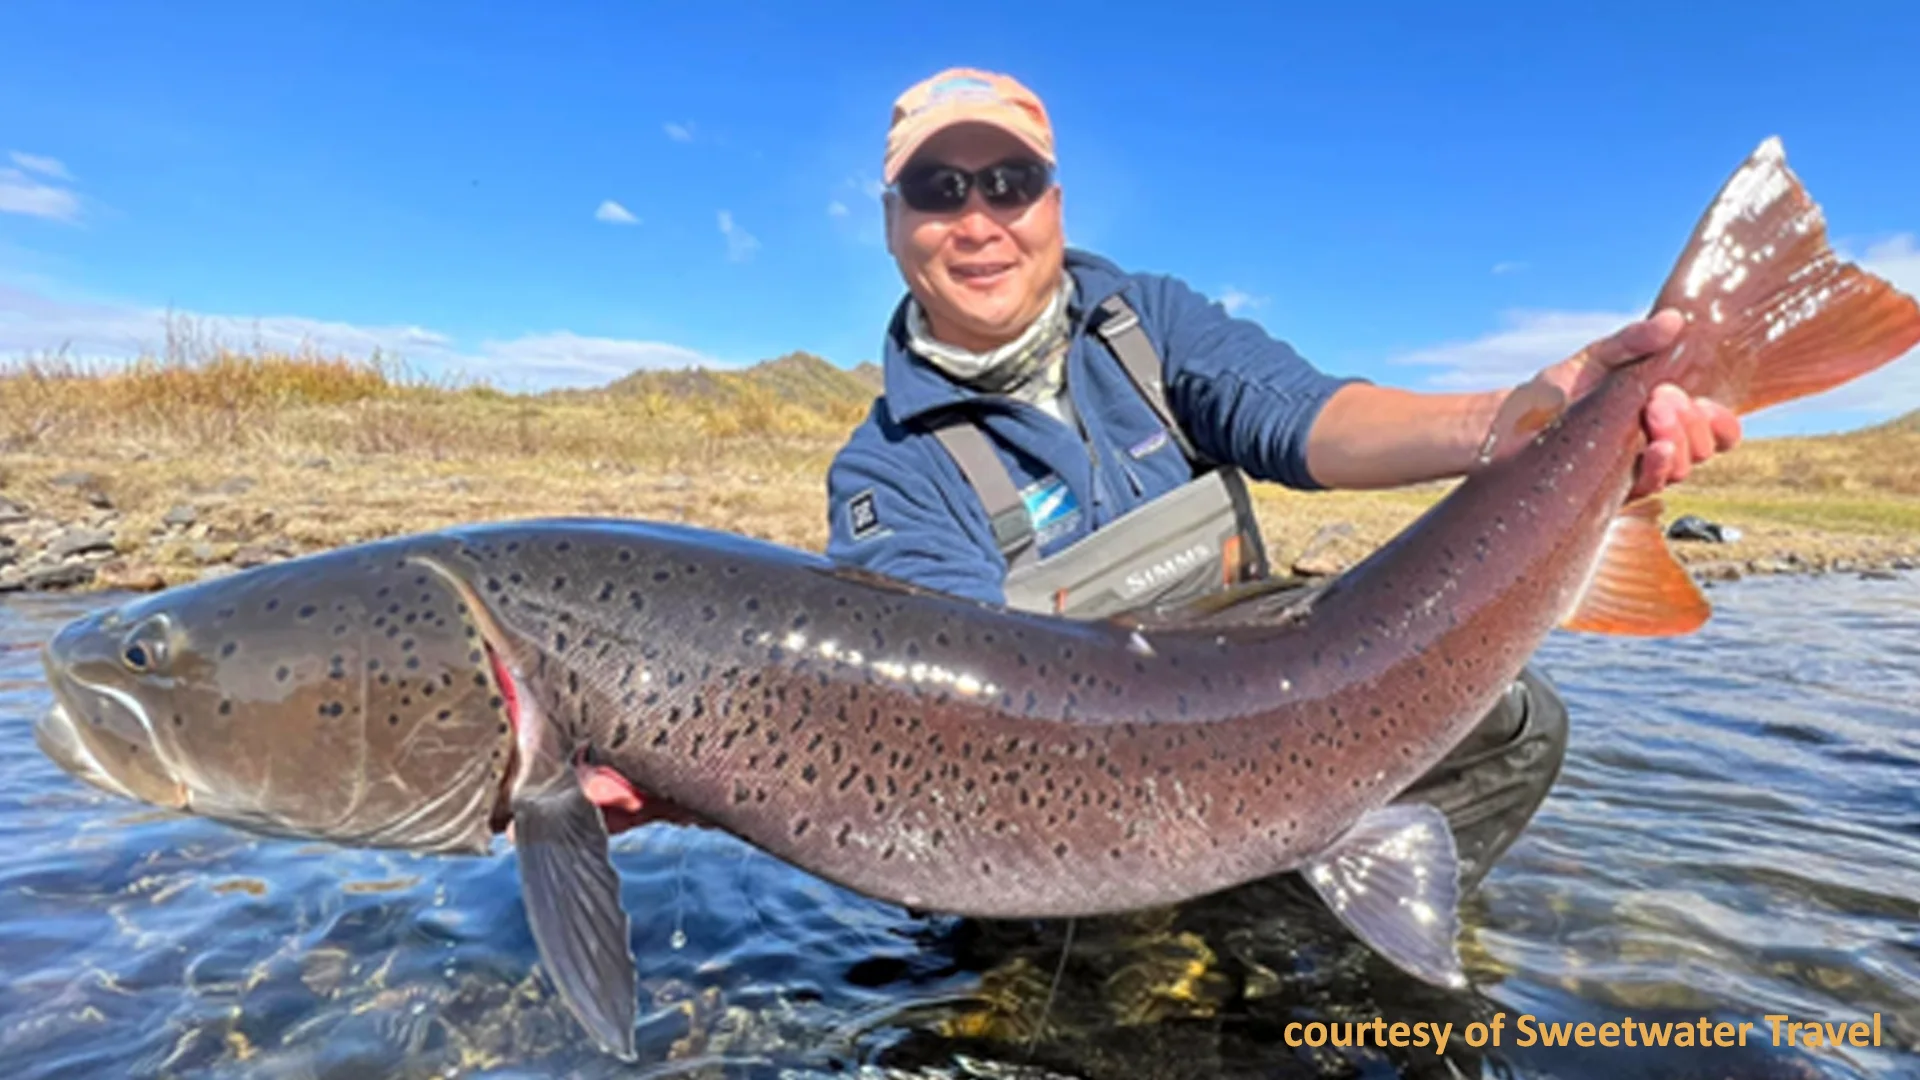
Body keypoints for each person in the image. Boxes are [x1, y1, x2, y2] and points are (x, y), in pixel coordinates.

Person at [823, 67, 1740, 891]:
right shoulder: (888, 467)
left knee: (1516, 720)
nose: (978, 222)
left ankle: (1312, 965)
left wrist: (1524, 418)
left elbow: (1306, 419)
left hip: (1285, 727)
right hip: (1065, 824)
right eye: (938, 191)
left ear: (1055, 205)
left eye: (1009, 184)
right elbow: (934, 726)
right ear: (894, 223)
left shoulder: (1145, 325)